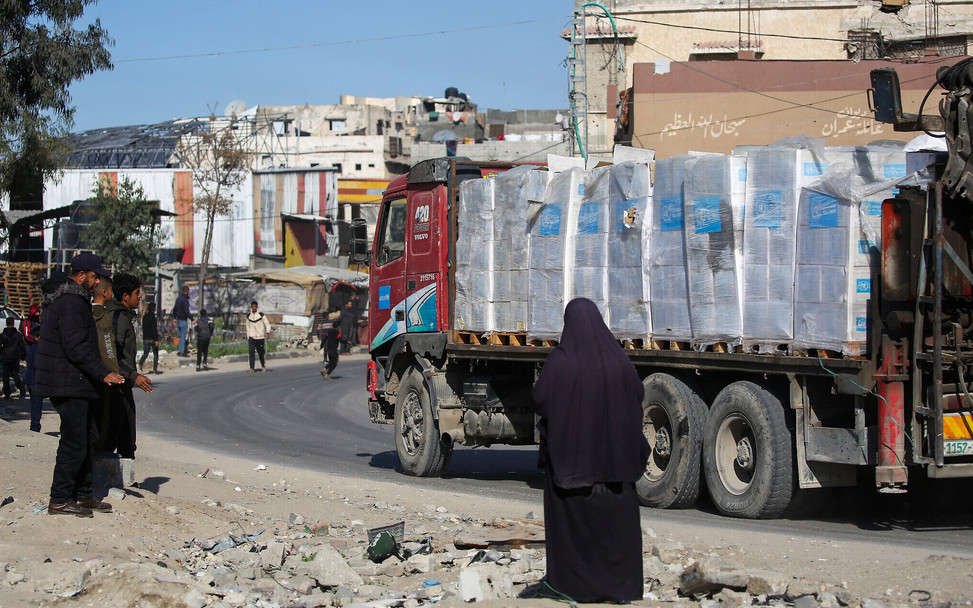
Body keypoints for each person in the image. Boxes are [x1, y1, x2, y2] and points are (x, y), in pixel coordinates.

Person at [530, 298, 649, 603]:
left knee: (573, 533)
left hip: (573, 471)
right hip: (618, 472)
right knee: (616, 535)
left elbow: (540, 398)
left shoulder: (561, 360)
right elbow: (638, 393)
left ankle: (572, 588)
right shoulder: (619, 360)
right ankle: (621, 589)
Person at [36, 253, 125, 517]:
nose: (97, 281)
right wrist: (103, 373)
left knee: (88, 437)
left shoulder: (72, 299)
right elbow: (76, 347)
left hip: (74, 381)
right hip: (67, 381)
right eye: (94, 276)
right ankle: (60, 498)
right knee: (74, 441)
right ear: (82, 275)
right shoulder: (71, 301)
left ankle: (84, 494)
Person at [105, 272, 153, 460]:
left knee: (127, 435)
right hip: (115, 387)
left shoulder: (123, 316)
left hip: (123, 385)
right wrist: (134, 376)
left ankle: (126, 476)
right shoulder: (117, 318)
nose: (140, 296)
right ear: (125, 296)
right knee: (113, 434)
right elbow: (113, 356)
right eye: (136, 293)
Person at [91, 276, 119, 448]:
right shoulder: (102, 316)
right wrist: (113, 371)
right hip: (105, 374)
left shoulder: (87, 312)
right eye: (111, 291)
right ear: (104, 292)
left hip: (93, 371)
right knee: (105, 417)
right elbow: (107, 348)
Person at [22, 304, 43, 432]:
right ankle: (35, 427)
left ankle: (35, 425)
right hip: (34, 380)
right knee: (36, 405)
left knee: (36, 404)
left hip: (31, 379)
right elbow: (36, 364)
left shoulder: (34, 349)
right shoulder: (35, 348)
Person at [0, 317, 26, 399]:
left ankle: (7, 393)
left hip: (5, 356)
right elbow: (21, 345)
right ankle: (21, 389)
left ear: (6, 324)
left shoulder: (3, 334)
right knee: (15, 374)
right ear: (14, 323)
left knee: (5, 376)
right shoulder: (18, 334)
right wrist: (23, 355)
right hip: (15, 356)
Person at [245, 300, 271, 373]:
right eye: (252, 306)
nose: (254, 308)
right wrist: (248, 337)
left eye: (255, 306)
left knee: (261, 353)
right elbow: (247, 327)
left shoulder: (261, 315)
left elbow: (267, 324)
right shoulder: (248, 316)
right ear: (251, 307)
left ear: (257, 307)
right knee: (251, 352)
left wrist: (267, 332)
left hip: (260, 337)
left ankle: (263, 366)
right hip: (252, 337)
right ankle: (251, 368)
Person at [139, 301, 160, 374]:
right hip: (152, 339)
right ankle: (155, 369)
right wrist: (156, 340)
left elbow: (144, 328)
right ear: (154, 309)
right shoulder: (153, 318)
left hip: (145, 338)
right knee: (155, 354)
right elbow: (153, 329)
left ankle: (140, 363)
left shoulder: (145, 317)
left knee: (146, 353)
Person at [172, 285, 192, 356]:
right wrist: (192, 318)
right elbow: (186, 311)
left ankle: (180, 350)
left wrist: (174, 318)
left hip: (178, 320)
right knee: (183, 336)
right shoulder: (185, 300)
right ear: (187, 291)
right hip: (183, 320)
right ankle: (181, 351)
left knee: (181, 336)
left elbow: (174, 309)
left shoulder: (178, 299)